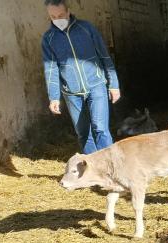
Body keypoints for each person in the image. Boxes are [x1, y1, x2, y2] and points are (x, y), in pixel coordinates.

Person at [42, 0, 120, 154]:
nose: (58, 19)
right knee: (83, 133)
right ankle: (92, 171)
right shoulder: (48, 38)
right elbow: (50, 69)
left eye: (61, 15)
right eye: (53, 16)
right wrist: (54, 97)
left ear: (68, 11)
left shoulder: (86, 28)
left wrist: (114, 84)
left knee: (101, 129)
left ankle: (110, 167)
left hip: (96, 84)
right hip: (71, 93)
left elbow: (104, 56)